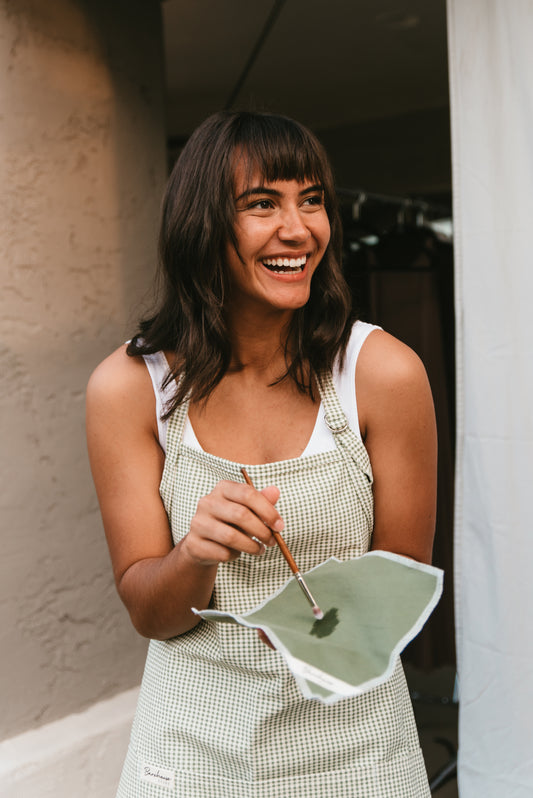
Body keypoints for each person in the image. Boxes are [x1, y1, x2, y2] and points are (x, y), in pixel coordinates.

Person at [86, 110, 437, 797]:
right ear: (201, 225)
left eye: (312, 200)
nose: (298, 229)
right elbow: (149, 614)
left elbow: (402, 584)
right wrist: (193, 556)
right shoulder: (128, 388)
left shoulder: (382, 372)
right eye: (261, 204)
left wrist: (326, 624)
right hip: (191, 750)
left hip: (356, 751)